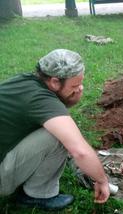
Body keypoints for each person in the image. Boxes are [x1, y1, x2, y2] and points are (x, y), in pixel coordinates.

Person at [0, 49, 110, 210]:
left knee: (55, 130)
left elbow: (54, 110)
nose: (80, 88)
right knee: (58, 137)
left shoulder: (24, 81)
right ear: (55, 82)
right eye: (75, 85)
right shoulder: (40, 100)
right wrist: (102, 181)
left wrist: (71, 97)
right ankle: (38, 194)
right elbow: (80, 151)